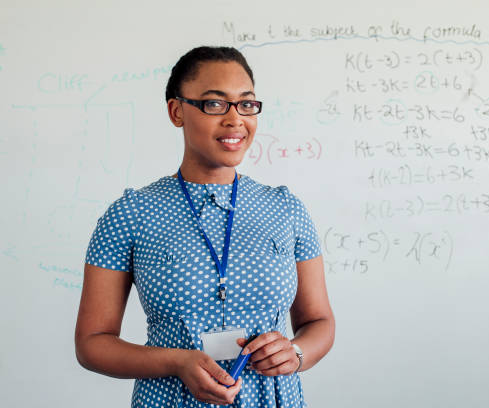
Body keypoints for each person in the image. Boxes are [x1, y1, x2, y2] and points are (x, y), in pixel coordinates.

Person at [75, 46, 335, 407]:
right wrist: (176, 361)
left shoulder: (286, 210)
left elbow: (319, 321)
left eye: (246, 104)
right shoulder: (131, 213)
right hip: (169, 399)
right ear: (177, 110)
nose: (235, 119)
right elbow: (91, 343)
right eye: (214, 104)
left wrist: (296, 352)